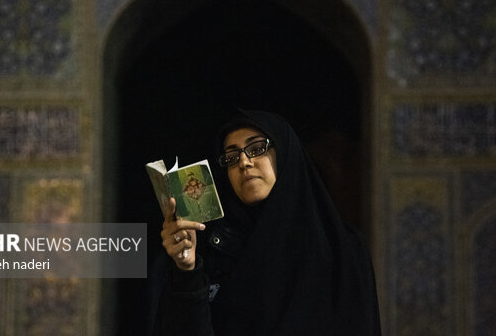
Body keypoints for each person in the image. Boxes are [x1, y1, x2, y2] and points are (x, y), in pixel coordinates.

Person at [152, 109, 381, 335]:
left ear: (284, 153)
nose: (244, 162)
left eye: (257, 148)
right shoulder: (213, 252)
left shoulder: (342, 251)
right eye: (231, 157)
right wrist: (187, 272)